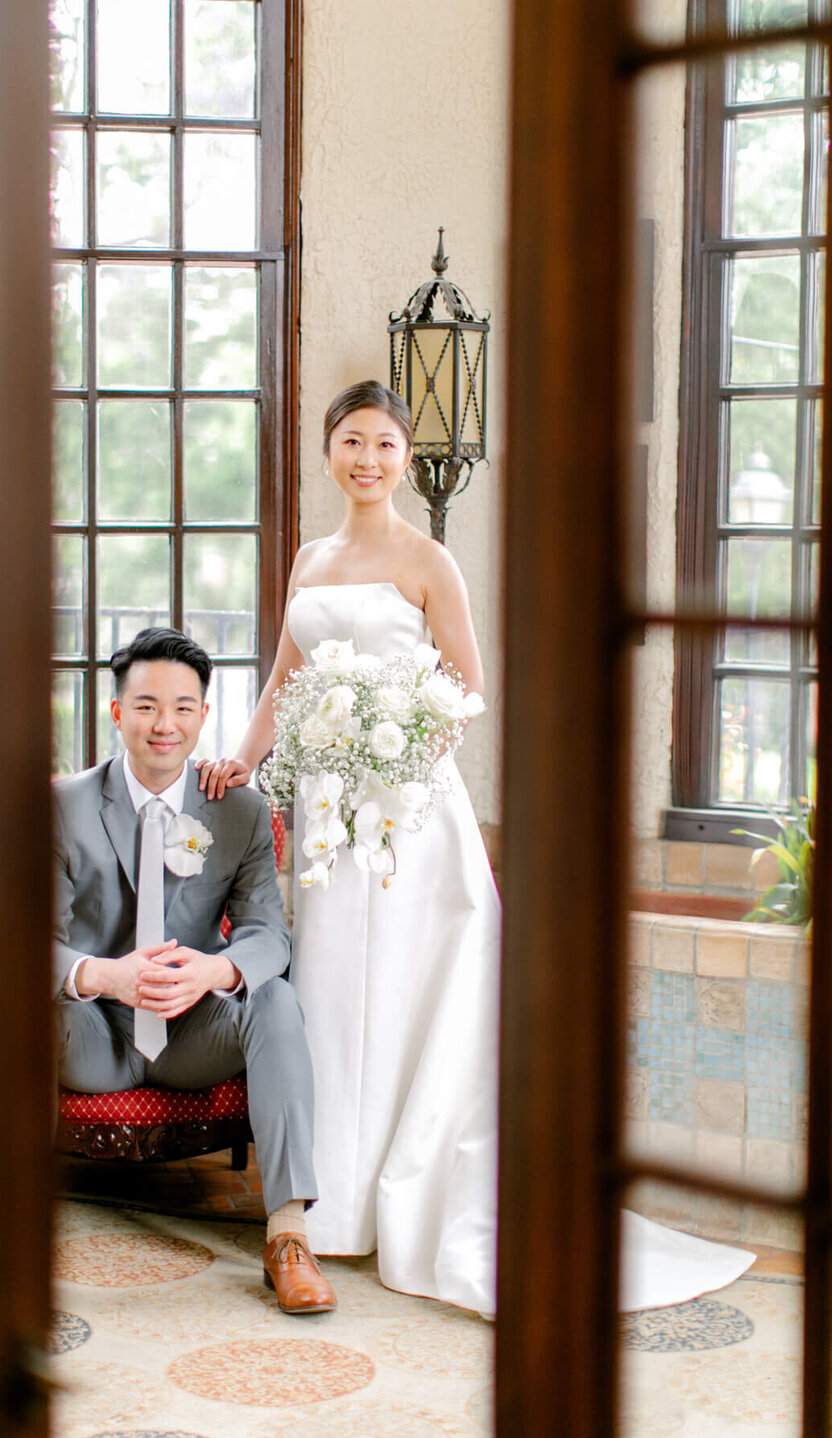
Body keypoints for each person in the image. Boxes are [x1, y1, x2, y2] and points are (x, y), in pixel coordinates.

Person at [198, 378, 755, 1316]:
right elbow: (282, 682)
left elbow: (466, 685)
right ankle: (330, 1214)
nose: (367, 459)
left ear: (404, 458)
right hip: (333, 822)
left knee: (415, 988)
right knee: (336, 992)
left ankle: (409, 1196)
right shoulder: (309, 560)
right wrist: (243, 761)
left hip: (409, 812)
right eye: (352, 442)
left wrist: (400, 753)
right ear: (329, 452)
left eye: (384, 444)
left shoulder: (428, 559)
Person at [53, 625, 336, 1315]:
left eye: (183, 707)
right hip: (90, 1036)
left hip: (191, 1037)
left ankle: (289, 1236)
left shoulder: (237, 811)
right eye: (146, 705)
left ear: (204, 716)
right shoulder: (63, 805)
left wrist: (215, 971)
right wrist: (101, 977)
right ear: (116, 712)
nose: (164, 724)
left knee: (275, 1001)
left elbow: (271, 934)